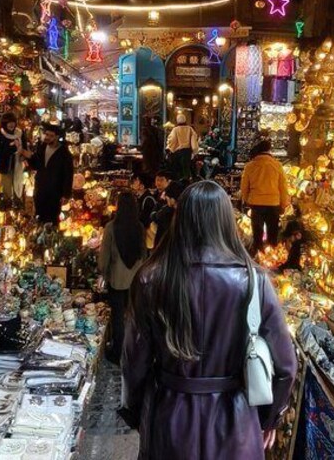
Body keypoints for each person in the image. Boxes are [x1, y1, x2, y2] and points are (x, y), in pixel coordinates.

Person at [120, 181, 297, 459]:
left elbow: (134, 362)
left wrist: (137, 412)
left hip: (171, 419)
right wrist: (267, 418)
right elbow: (286, 367)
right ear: (226, 222)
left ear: (181, 220)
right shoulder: (254, 281)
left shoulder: (151, 279)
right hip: (236, 422)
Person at [98, 191, 147, 364]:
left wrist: (102, 273)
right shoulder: (139, 227)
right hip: (135, 280)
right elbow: (144, 253)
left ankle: (117, 352)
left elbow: (105, 255)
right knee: (133, 317)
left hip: (117, 280)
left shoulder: (111, 227)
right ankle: (133, 352)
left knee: (117, 317)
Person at [240, 140, 290, 254]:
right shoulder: (277, 165)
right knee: (272, 235)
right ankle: (271, 256)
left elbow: (244, 187)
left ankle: (258, 255)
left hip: (256, 203)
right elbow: (283, 187)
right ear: (269, 151)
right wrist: (283, 204)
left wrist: (247, 200)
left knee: (257, 235)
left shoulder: (250, 166)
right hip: (273, 204)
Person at [19, 123, 74, 225]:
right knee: (39, 216)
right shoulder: (43, 147)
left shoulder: (64, 154)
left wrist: (66, 194)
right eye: (46, 135)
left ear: (57, 137)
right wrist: (26, 156)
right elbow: (36, 164)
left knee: (51, 219)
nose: (47, 137)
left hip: (54, 192)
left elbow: (68, 175)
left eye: (51, 136)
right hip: (40, 189)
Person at [0, 112, 24, 206]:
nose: (11, 124)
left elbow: (24, 147)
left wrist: (24, 155)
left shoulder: (20, 134)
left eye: (13, 122)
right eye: (9, 122)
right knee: (7, 188)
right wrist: (12, 148)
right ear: (4, 124)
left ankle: (17, 204)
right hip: (6, 167)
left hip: (18, 165)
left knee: (18, 186)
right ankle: (7, 206)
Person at [151, 181, 183, 248]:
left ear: (172, 199)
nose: (166, 199)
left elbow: (154, 217)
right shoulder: (185, 212)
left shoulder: (167, 211)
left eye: (167, 197)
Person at [166, 114, 198, 181]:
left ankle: (179, 184)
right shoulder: (190, 129)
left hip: (178, 153)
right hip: (187, 152)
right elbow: (194, 140)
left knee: (178, 171)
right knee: (186, 170)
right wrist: (194, 151)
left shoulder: (175, 129)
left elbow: (172, 140)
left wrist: (170, 149)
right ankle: (186, 183)